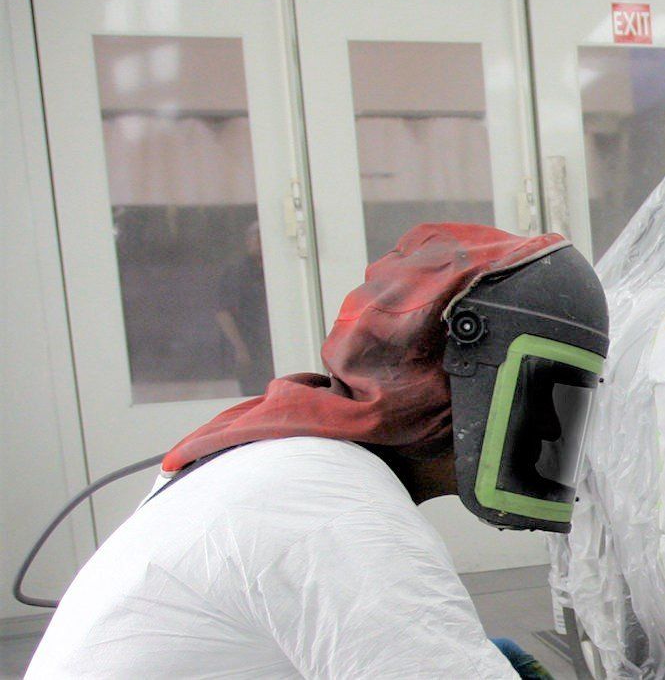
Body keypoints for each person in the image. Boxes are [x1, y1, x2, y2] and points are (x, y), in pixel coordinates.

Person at [27, 223, 609, 678]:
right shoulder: (335, 511)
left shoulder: (291, 462)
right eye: (551, 397)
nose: (558, 432)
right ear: (473, 383)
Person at [214, 221, 273, 396]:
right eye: (256, 238)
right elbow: (223, 312)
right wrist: (240, 348)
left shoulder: (278, 271)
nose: (260, 243)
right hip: (251, 352)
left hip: (276, 350)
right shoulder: (237, 273)